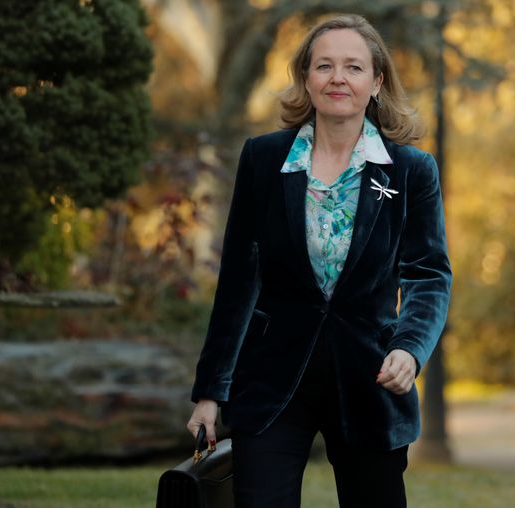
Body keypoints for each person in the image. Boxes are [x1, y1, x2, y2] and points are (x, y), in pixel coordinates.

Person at [186, 13, 452, 508]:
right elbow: (240, 279)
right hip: (272, 380)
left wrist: (410, 348)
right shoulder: (263, 160)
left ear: (376, 82)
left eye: (353, 67)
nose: (337, 78)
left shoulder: (411, 171)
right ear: (306, 78)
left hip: (371, 379)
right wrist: (210, 390)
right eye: (324, 66)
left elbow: (428, 273)